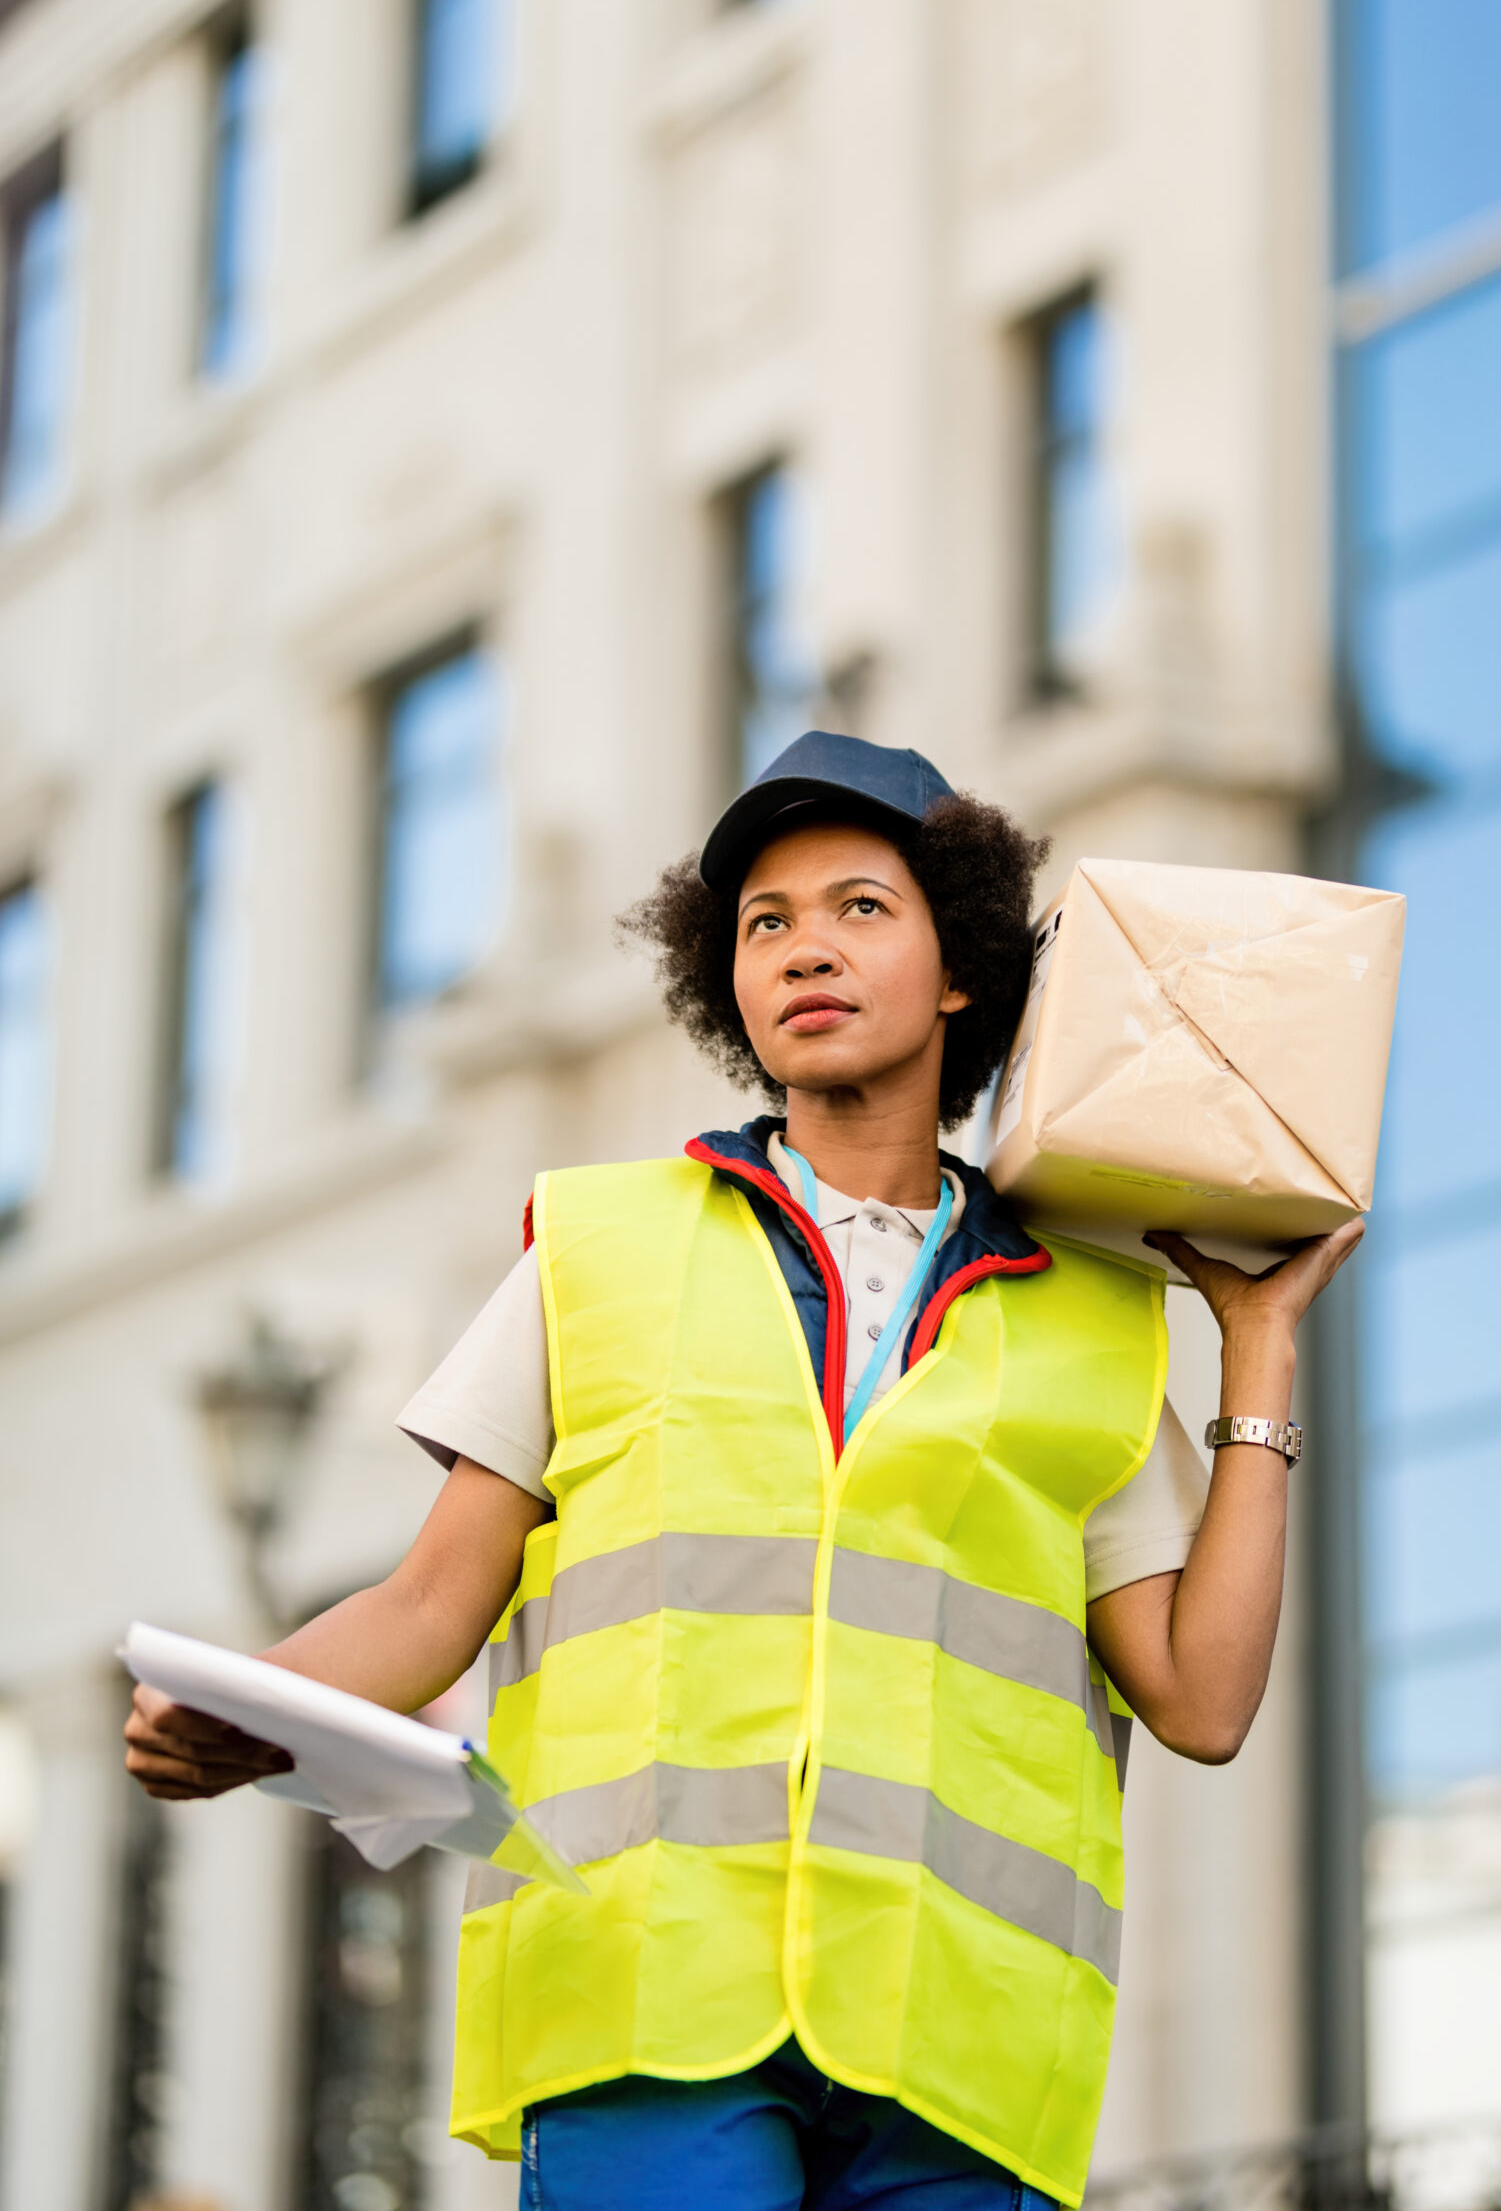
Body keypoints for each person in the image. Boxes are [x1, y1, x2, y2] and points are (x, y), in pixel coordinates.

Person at [125, 733, 1361, 2211]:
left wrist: (1260, 1351)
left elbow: (1203, 1699)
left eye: (858, 908)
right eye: (764, 924)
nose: (802, 950)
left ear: (960, 967)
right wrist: (254, 1706)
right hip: (642, 2008)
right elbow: (429, 1603)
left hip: (958, 2053)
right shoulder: (595, 1248)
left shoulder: (1092, 1322)